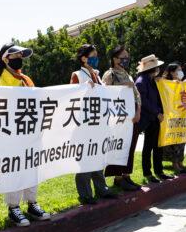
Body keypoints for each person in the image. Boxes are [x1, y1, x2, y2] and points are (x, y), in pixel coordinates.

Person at [0, 42, 50, 227]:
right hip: (11, 137)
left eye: (21, 57)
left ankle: (32, 203)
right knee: (14, 170)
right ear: (5, 58)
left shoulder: (27, 79)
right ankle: (13, 207)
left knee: (31, 169)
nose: (19, 60)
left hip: (30, 134)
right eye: (15, 56)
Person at [69, 44, 117, 204]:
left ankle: (101, 188)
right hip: (84, 126)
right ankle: (85, 194)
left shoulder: (97, 75)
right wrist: (84, 89)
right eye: (93, 55)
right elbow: (72, 97)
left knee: (98, 157)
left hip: (99, 124)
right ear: (84, 58)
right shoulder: (77, 75)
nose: (96, 59)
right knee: (85, 160)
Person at [102, 45, 142, 191]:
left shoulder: (127, 73)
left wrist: (138, 111)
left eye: (127, 58)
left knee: (130, 147)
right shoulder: (110, 74)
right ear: (114, 59)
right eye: (122, 57)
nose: (125, 60)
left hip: (132, 118)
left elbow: (136, 95)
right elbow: (104, 93)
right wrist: (123, 86)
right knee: (119, 147)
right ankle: (118, 177)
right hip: (118, 119)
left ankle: (126, 175)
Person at [135, 55, 173, 183]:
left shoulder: (152, 80)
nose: (159, 70)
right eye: (157, 67)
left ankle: (159, 171)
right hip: (148, 119)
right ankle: (148, 173)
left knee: (158, 146)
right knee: (148, 146)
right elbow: (143, 101)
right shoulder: (141, 81)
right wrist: (157, 112)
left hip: (156, 118)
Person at [160, 63, 186, 174]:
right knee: (173, 142)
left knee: (182, 140)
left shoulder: (182, 83)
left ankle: (181, 163)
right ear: (171, 72)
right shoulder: (165, 82)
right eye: (178, 70)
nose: (180, 72)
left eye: (180, 69)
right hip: (172, 117)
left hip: (182, 116)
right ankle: (175, 164)